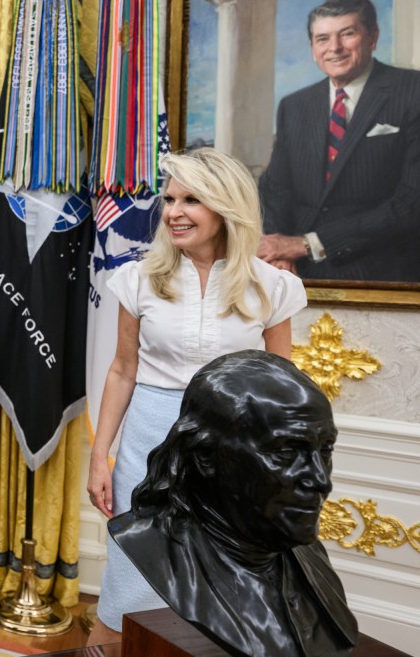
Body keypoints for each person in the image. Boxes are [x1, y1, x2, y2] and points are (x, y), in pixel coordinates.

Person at [86, 148, 307, 644]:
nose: (173, 212)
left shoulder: (271, 285)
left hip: (233, 452)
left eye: (191, 200)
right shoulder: (138, 278)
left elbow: (279, 386)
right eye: (169, 199)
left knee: (221, 585)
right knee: (131, 583)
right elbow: (122, 370)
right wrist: (101, 455)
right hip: (147, 443)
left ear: (226, 207)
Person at [110, 350, 357, 656]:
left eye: (325, 451)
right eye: (285, 452)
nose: (321, 481)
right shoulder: (150, 544)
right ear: (205, 455)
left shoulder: (308, 553)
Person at [258, 0, 420, 282]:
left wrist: (308, 243)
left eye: (347, 34)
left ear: (373, 37)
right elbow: (275, 190)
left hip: (385, 272)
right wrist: (277, 251)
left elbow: (412, 201)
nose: (334, 48)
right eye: (322, 39)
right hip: (295, 272)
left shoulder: (412, 91)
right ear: (312, 47)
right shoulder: (294, 106)